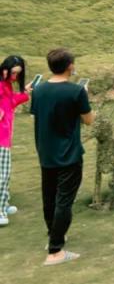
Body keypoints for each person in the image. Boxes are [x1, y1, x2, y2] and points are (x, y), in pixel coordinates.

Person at [30, 48, 94, 265]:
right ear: (70, 66)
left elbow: (39, 114)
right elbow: (89, 120)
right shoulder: (76, 91)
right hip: (69, 154)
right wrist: (83, 97)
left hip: (45, 152)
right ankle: (55, 251)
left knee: (49, 197)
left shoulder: (38, 90)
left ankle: (53, 236)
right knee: (64, 201)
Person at [0, 56, 33, 226]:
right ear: (5, 68)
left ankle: (3, 204)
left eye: (17, 74)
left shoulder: (5, 84)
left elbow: (9, 102)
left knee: (4, 173)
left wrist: (24, 94)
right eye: (12, 73)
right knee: (1, 174)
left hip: (4, 134)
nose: (14, 77)